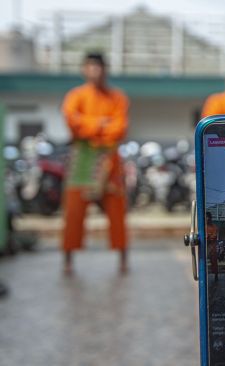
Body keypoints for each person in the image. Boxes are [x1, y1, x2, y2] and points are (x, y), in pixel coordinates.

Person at [61, 53, 129, 274]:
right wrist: (101, 124)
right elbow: (72, 122)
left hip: (109, 158)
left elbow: (119, 129)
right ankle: (68, 260)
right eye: (91, 67)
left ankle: (123, 259)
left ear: (105, 69)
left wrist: (88, 125)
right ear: (84, 70)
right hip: (82, 157)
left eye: (99, 67)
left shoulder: (117, 97)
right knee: (73, 212)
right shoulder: (76, 96)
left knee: (117, 210)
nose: (95, 71)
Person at [206, 212, 219, 281]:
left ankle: (216, 275)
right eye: (206, 217)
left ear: (210, 218)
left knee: (214, 261)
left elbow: (214, 236)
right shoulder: (202, 226)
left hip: (212, 246)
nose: (207, 219)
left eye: (208, 217)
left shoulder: (215, 227)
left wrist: (207, 236)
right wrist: (208, 236)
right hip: (204, 246)